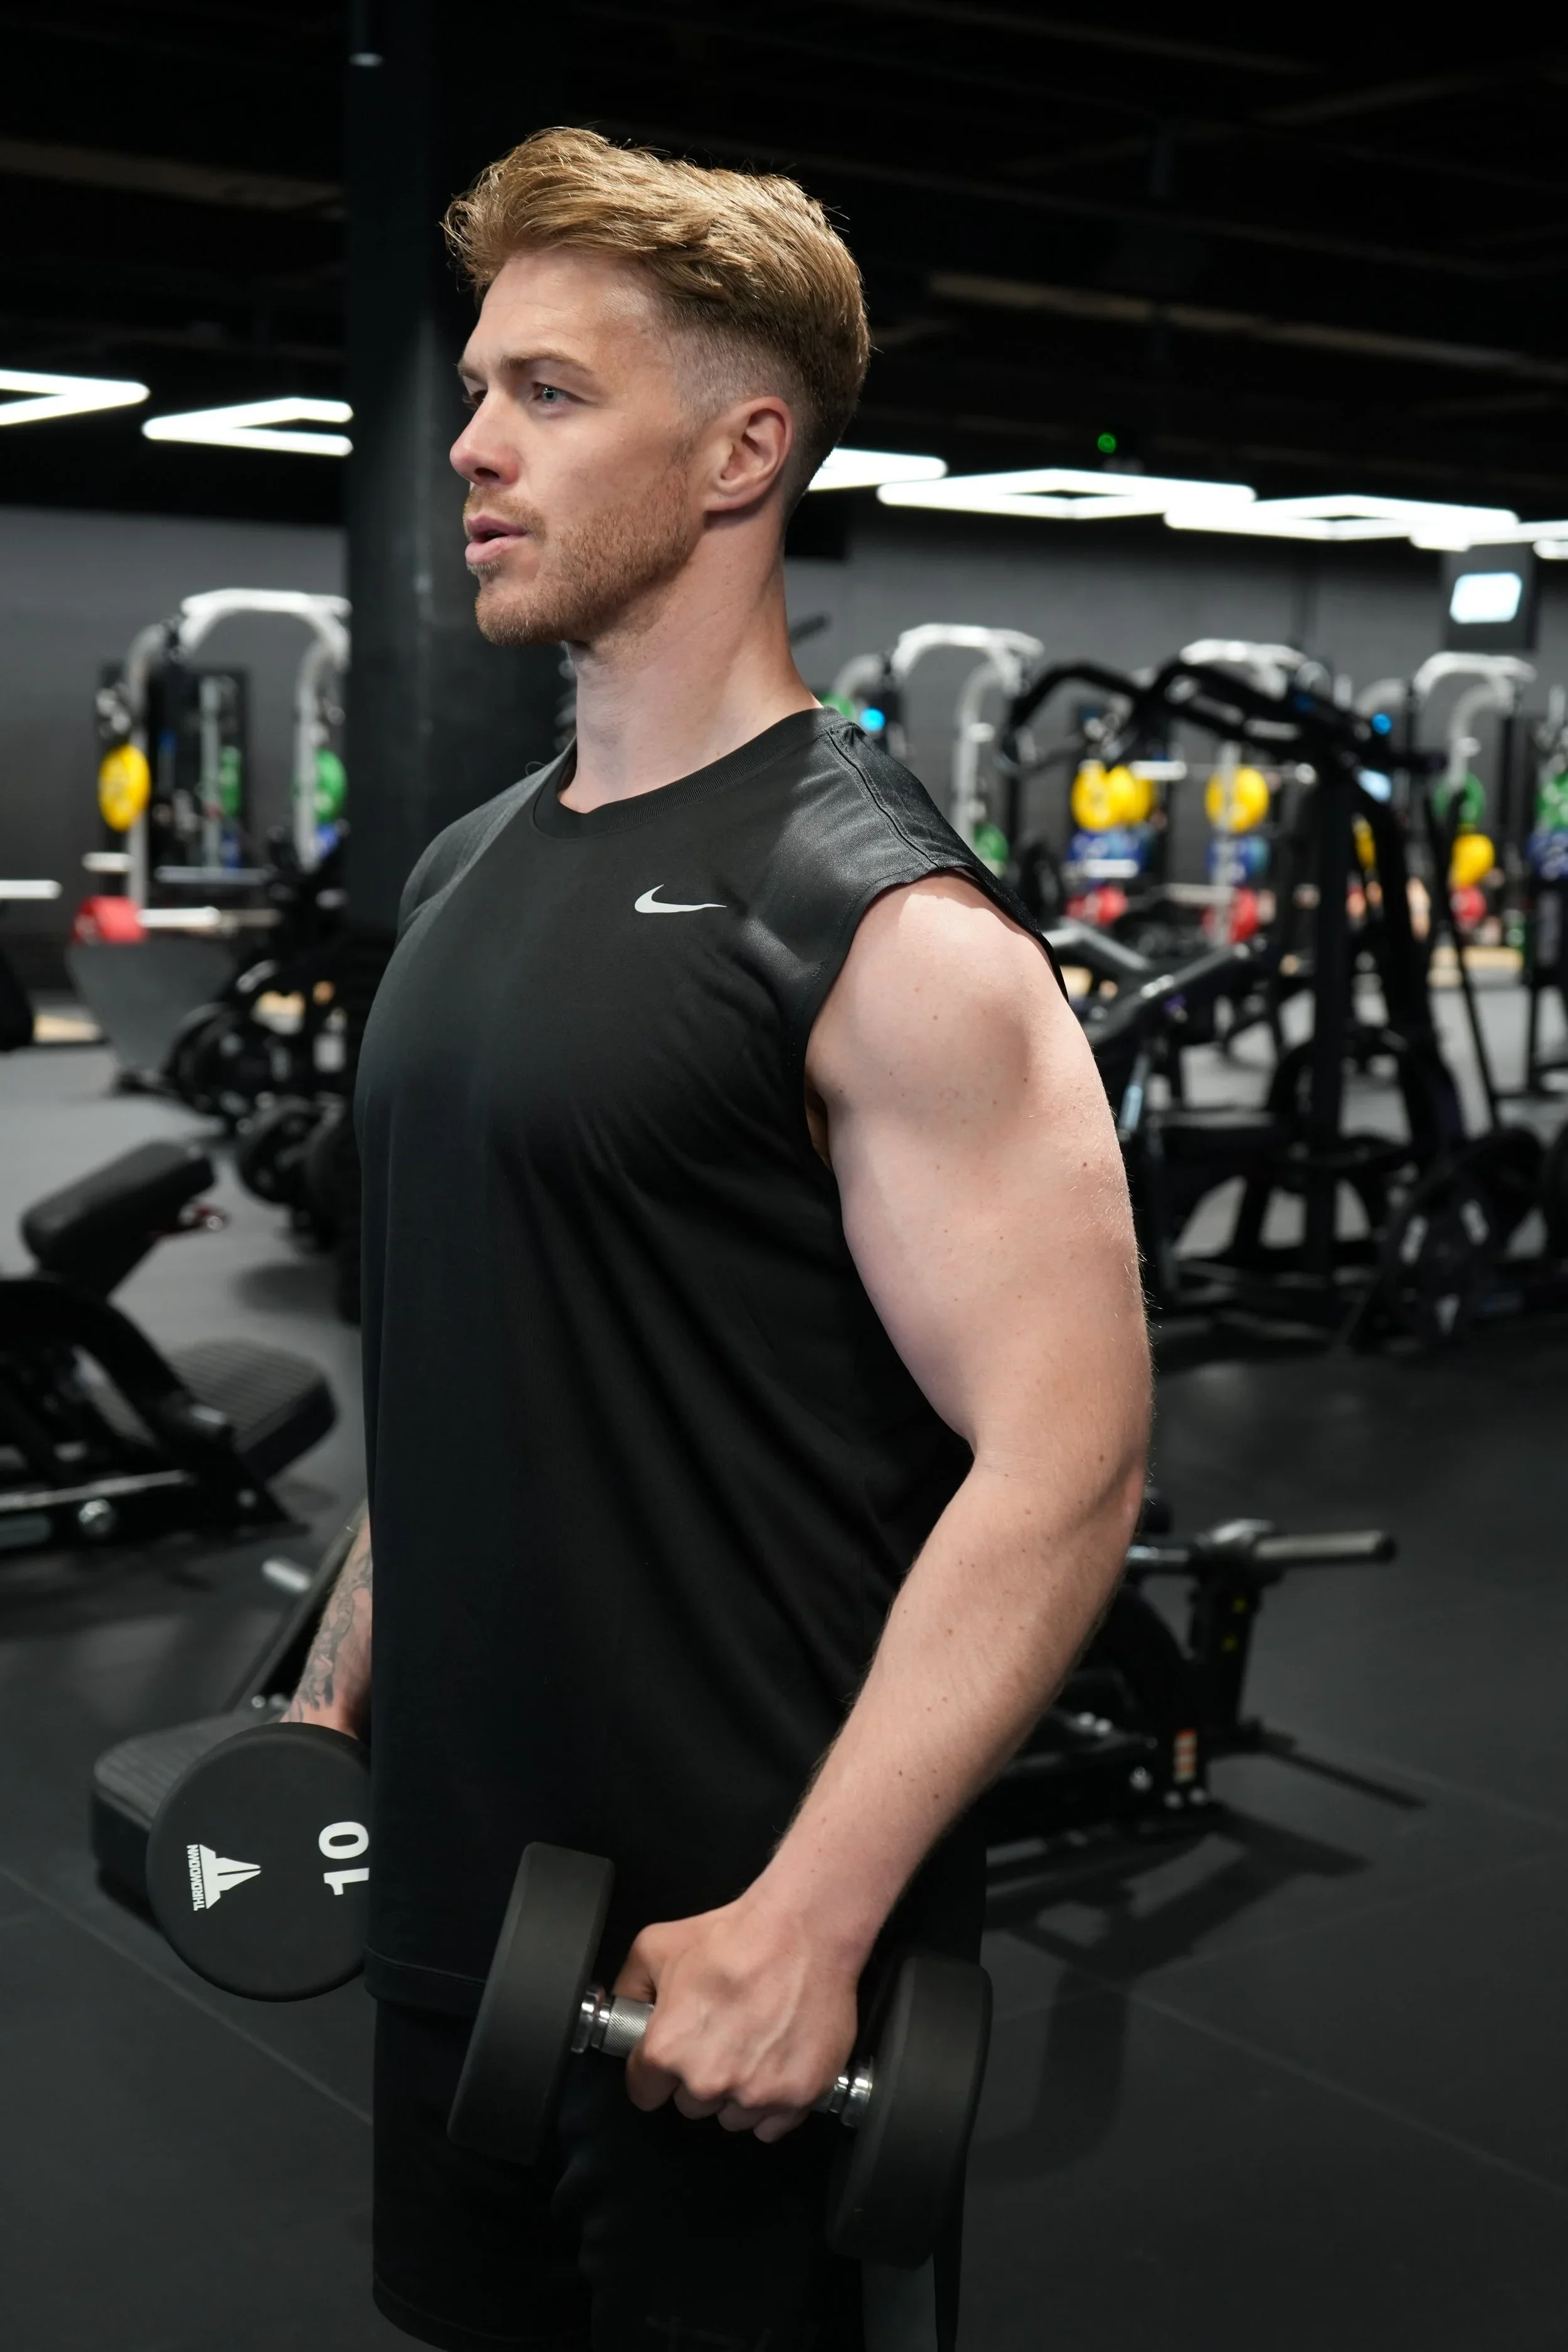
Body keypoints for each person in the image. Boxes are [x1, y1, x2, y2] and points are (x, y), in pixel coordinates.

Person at [283, 125, 1148, 2352]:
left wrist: (810, 1919)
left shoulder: (888, 925)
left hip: (722, 1958)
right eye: (476, 387)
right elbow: (505, 1314)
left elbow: (1064, 1462)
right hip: (452, 1908)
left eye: (551, 394)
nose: (471, 445)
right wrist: (348, 1646)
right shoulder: (474, 863)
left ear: (744, 443)